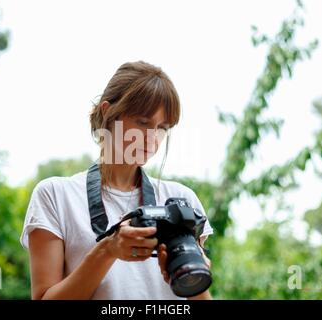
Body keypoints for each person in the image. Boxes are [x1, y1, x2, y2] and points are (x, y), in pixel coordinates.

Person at [20, 60, 214, 300]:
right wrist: (107, 250)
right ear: (107, 113)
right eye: (143, 122)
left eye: (163, 127)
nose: (152, 137)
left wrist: (194, 275)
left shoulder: (181, 201)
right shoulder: (55, 195)